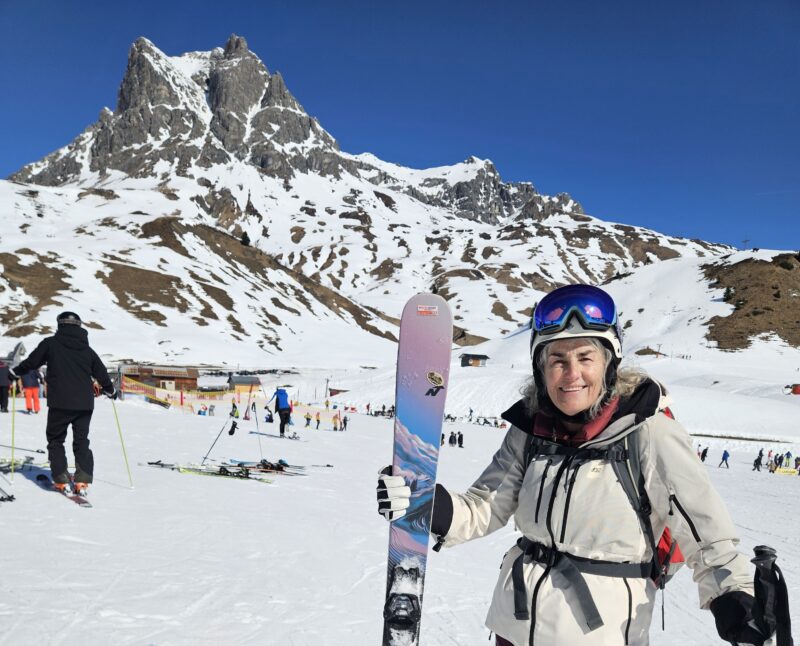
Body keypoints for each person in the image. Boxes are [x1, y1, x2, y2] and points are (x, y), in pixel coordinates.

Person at [376, 284, 759, 645]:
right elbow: (485, 506)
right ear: (541, 370)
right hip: (515, 628)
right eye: (557, 360)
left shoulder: (650, 434)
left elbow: (708, 536)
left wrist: (735, 596)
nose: (572, 373)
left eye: (585, 358)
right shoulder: (530, 432)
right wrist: (429, 504)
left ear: (609, 364)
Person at [11, 312, 115, 494]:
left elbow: (32, 362)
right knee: (82, 441)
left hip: (60, 402)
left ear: (60, 325)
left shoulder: (50, 344)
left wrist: (15, 372)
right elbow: (102, 373)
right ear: (79, 327)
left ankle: (61, 479)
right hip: (84, 404)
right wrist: (110, 390)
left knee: (56, 440)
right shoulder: (87, 350)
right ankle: (82, 480)